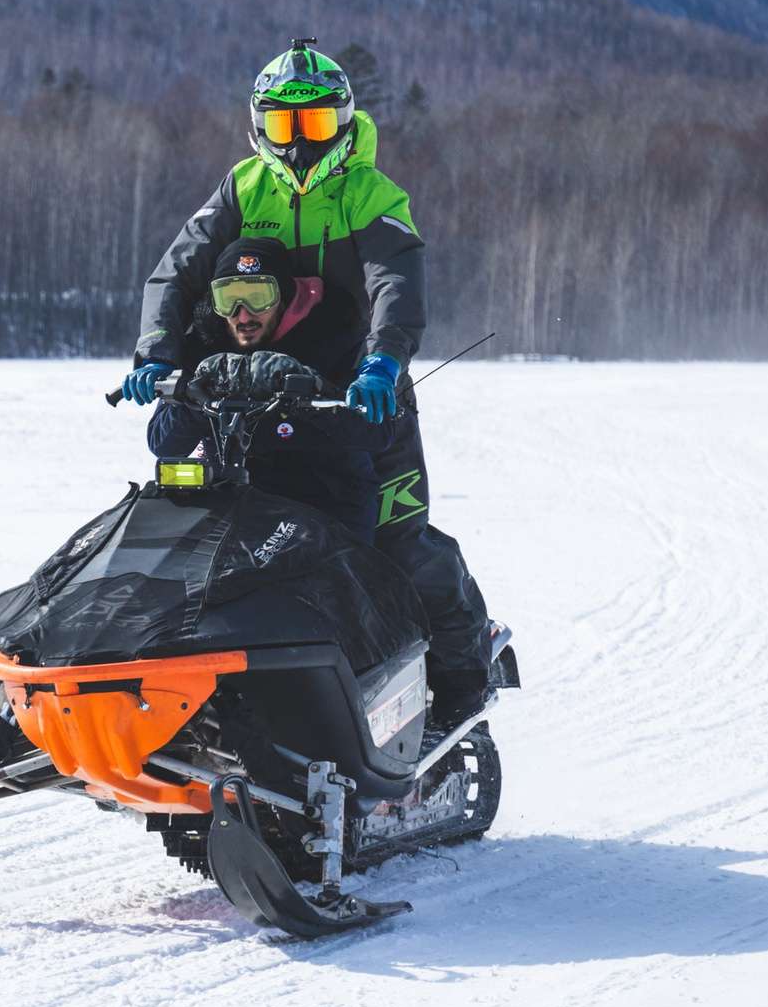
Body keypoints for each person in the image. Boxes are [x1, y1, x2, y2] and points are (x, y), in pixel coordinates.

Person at [121, 39, 496, 715]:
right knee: (204, 533)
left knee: (399, 546)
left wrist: (383, 361)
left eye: (315, 124)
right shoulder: (243, 186)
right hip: (253, 390)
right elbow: (178, 270)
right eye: (283, 125)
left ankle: (459, 694)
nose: (297, 144)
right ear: (259, 125)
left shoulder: (370, 193)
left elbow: (395, 282)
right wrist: (157, 354)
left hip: (356, 390)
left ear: (345, 124)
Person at [146, 238, 383, 541]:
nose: (243, 315)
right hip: (227, 503)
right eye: (229, 299)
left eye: (258, 296)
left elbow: (378, 431)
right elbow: (163, 442)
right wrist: (203, 391)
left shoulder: (339, 341)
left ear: (283, 297)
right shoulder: (201, 350)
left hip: (327, 507)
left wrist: (310, 388)